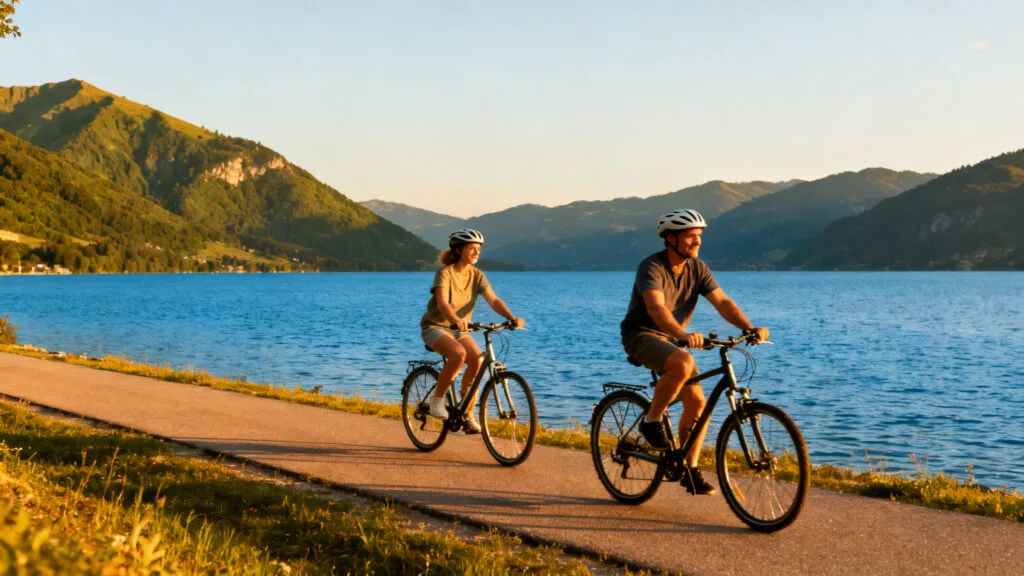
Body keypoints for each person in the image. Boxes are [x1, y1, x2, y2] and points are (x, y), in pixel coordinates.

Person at [620, 209, 769, 495]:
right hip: (641, 336)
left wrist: (748, 328)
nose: (697, 242)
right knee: (684, 361)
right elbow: (656, 308)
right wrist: (683, 335)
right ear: (671, 239)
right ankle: (651, 422)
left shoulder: (697, 268)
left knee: (698, 402)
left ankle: (689, 469)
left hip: (673, 341)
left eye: (699, 236)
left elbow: (722, 301)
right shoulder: (650, 267)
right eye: (691, 237)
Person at [420, 228, 525, 433]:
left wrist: (511, 318)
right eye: (471, 248)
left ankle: (466, 412)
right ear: (458, 250)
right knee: (458, 354)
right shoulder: (445, 273)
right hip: (435, 327)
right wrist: (455, 319)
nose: (477, 252)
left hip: (459, 330)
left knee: (477, 360)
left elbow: (493, 300)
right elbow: (442, 302)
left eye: (478, 249)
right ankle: (437, 400)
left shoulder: (477, 275)